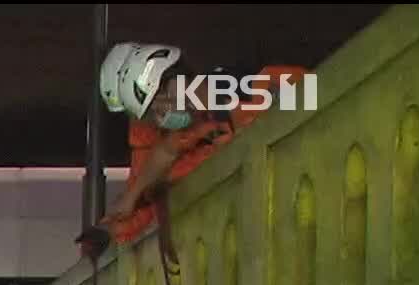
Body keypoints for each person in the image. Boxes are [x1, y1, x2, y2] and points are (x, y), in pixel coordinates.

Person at [88, 44, 311, 261]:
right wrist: (129, 200)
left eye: (161, 101)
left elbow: (321, 100)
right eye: (154, 112)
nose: (163, 114)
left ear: (176, 78)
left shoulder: (256, 88)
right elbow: (165, 152)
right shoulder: (195, 127)